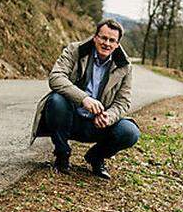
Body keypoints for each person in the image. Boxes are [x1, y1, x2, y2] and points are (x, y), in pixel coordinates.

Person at [30, 19, 140, 177]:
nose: (106, 43)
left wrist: (109, 117)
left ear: (117, 44)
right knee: (55, 100)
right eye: (103, 38)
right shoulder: (75, 50)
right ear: (95, 37)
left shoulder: (125, 67)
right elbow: (55, 77)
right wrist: (83, 99)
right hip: (70, 117)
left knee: (130, 132)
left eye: (111, 40)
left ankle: (96, 158)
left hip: (98, 125)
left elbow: (123, 101)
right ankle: (62, 154)